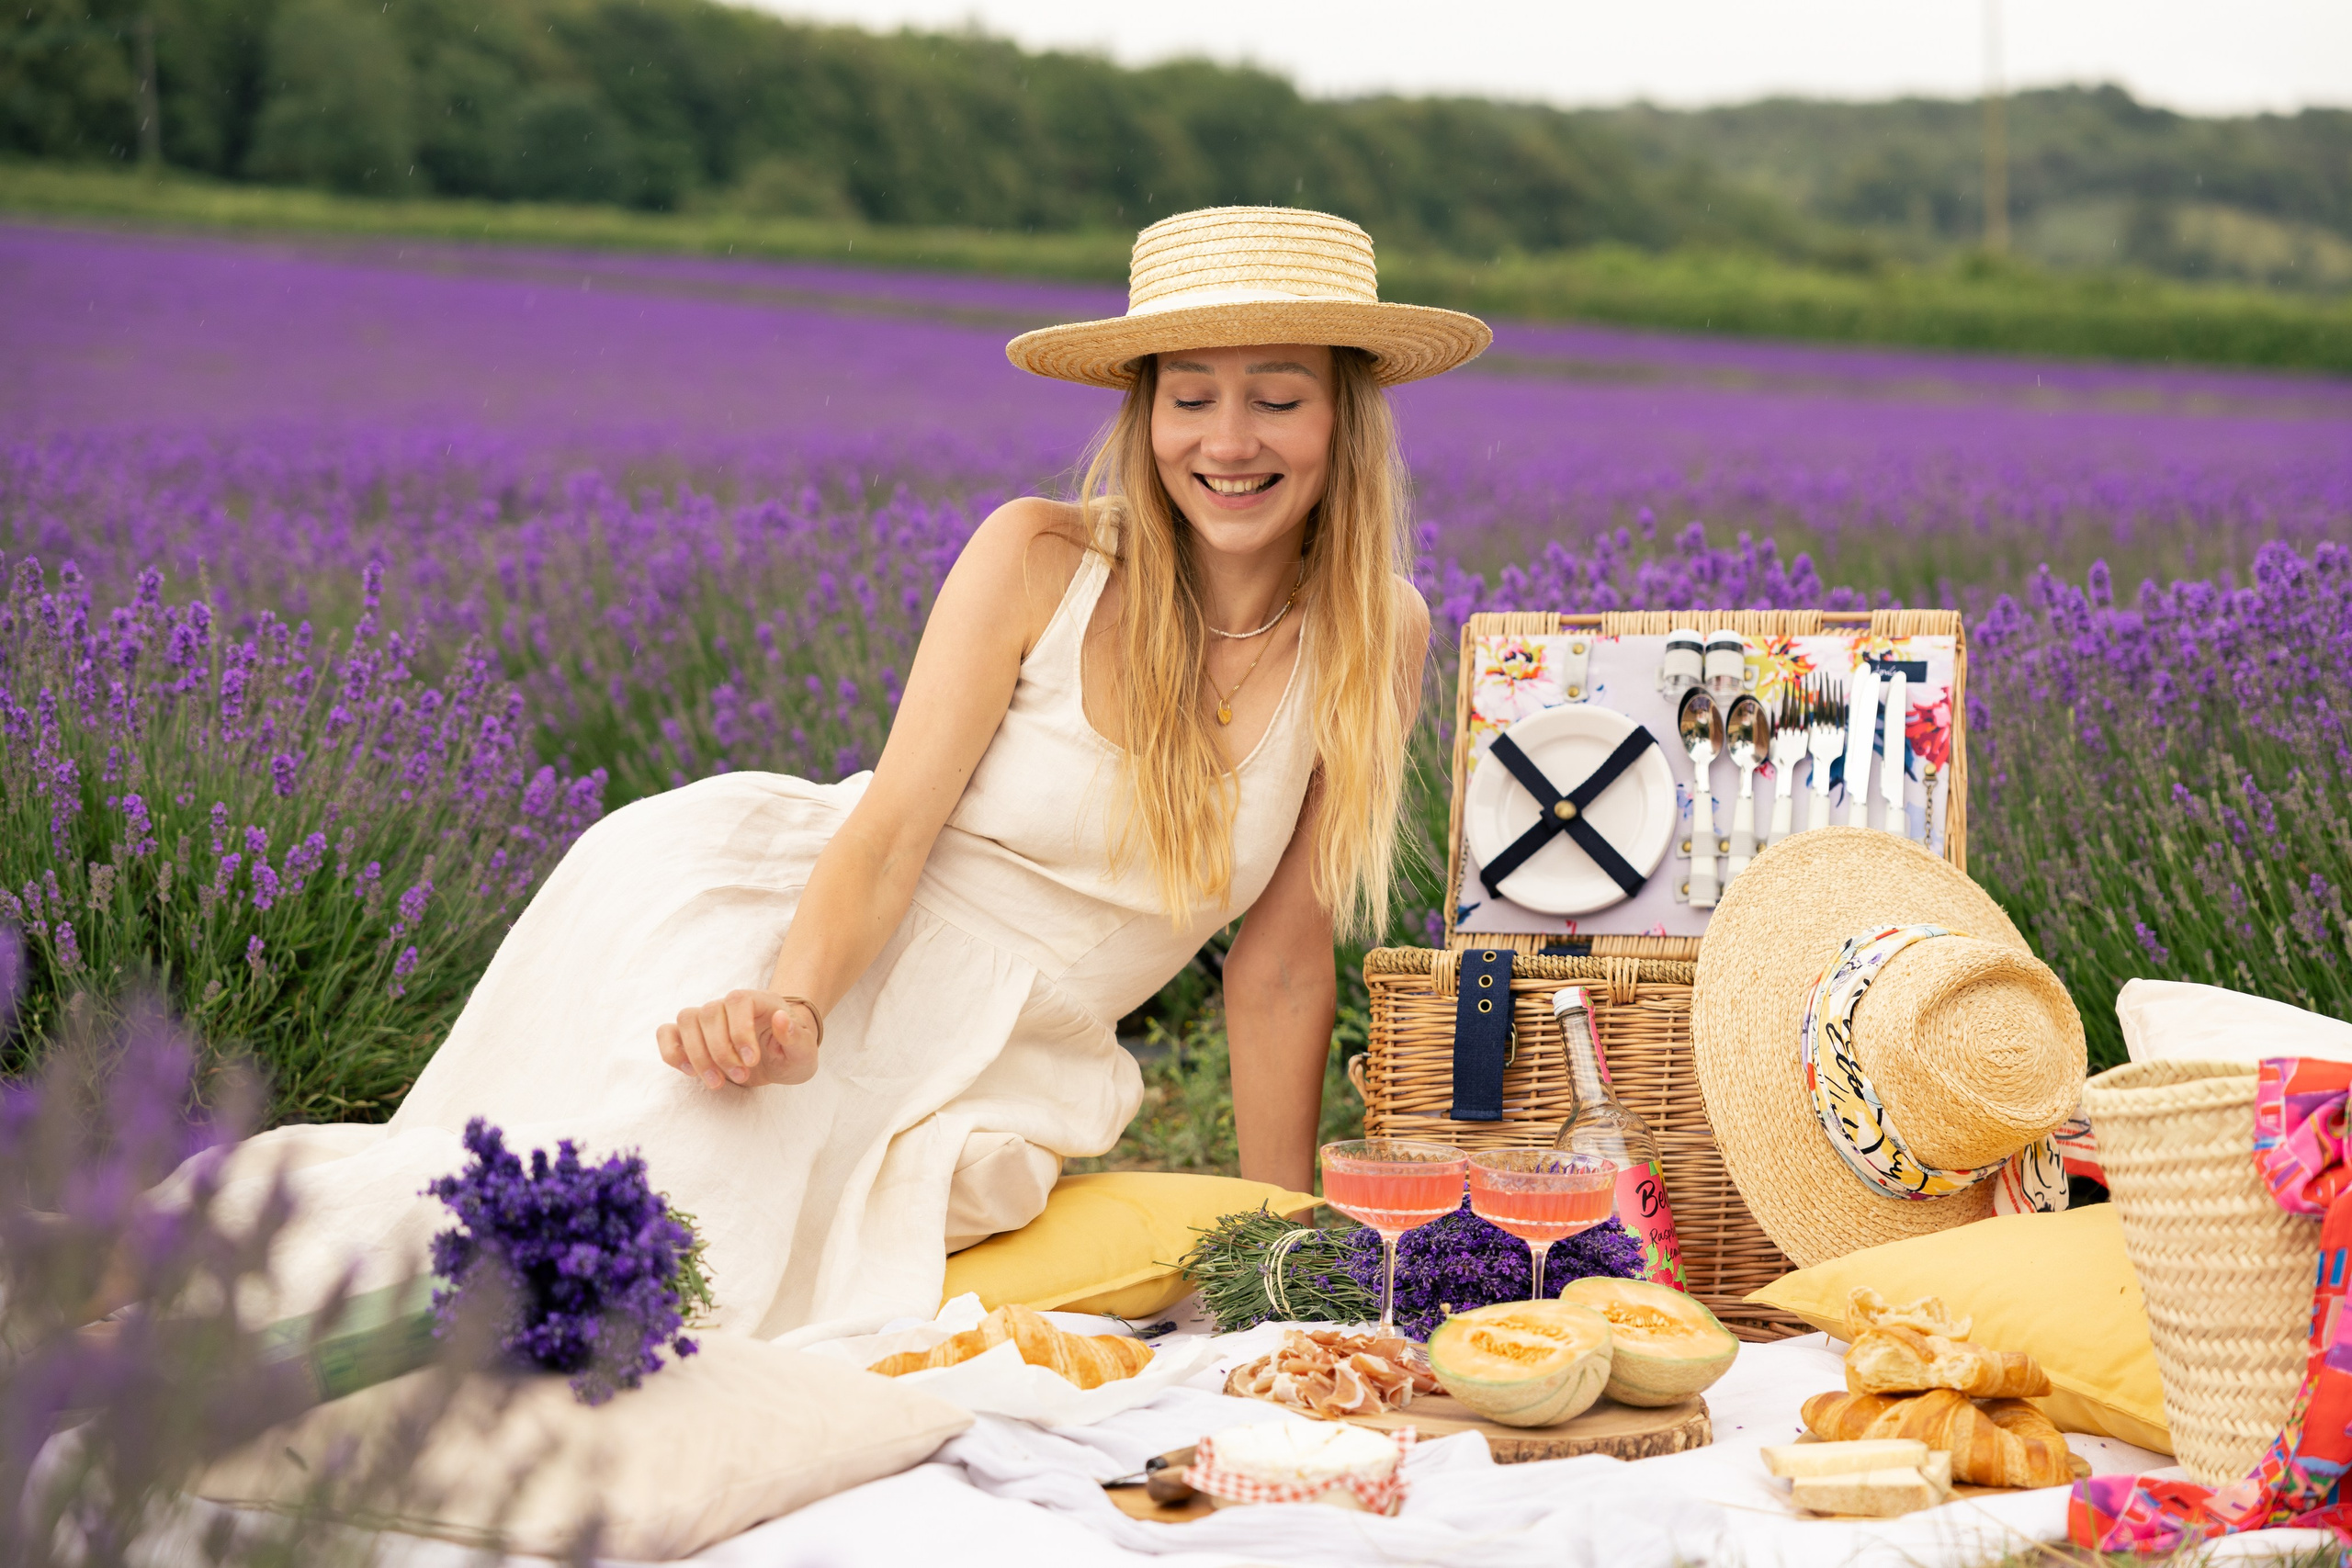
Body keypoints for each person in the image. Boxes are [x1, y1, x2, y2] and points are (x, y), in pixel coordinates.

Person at [191, 206, 1492, 1337]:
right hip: (813, 931)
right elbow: (888, 833)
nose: (1228, 439)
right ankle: (194, 1287)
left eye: (1278, 394)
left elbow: (1279, 964)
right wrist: (790, 1006)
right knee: (628, 1203)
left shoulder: (1380, 632)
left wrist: (1275, 1237)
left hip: (1012, 1055)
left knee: (765, 1274)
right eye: (1189, 394)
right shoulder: (1042, 559)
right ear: (1143, 408)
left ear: (1344, 413)